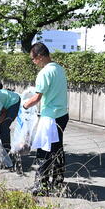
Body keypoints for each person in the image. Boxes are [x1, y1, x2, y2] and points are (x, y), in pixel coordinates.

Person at [22, 42, 69, 196]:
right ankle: (57, 182)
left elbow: (37, 97)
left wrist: (24, 105)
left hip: (50, 117)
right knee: (57, 150)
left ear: (40, 56)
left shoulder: (44, 73)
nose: (33, 62)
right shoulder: (59, 68)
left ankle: (41, 187)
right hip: (62, 115)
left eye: (33, 59)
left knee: (44, 151)